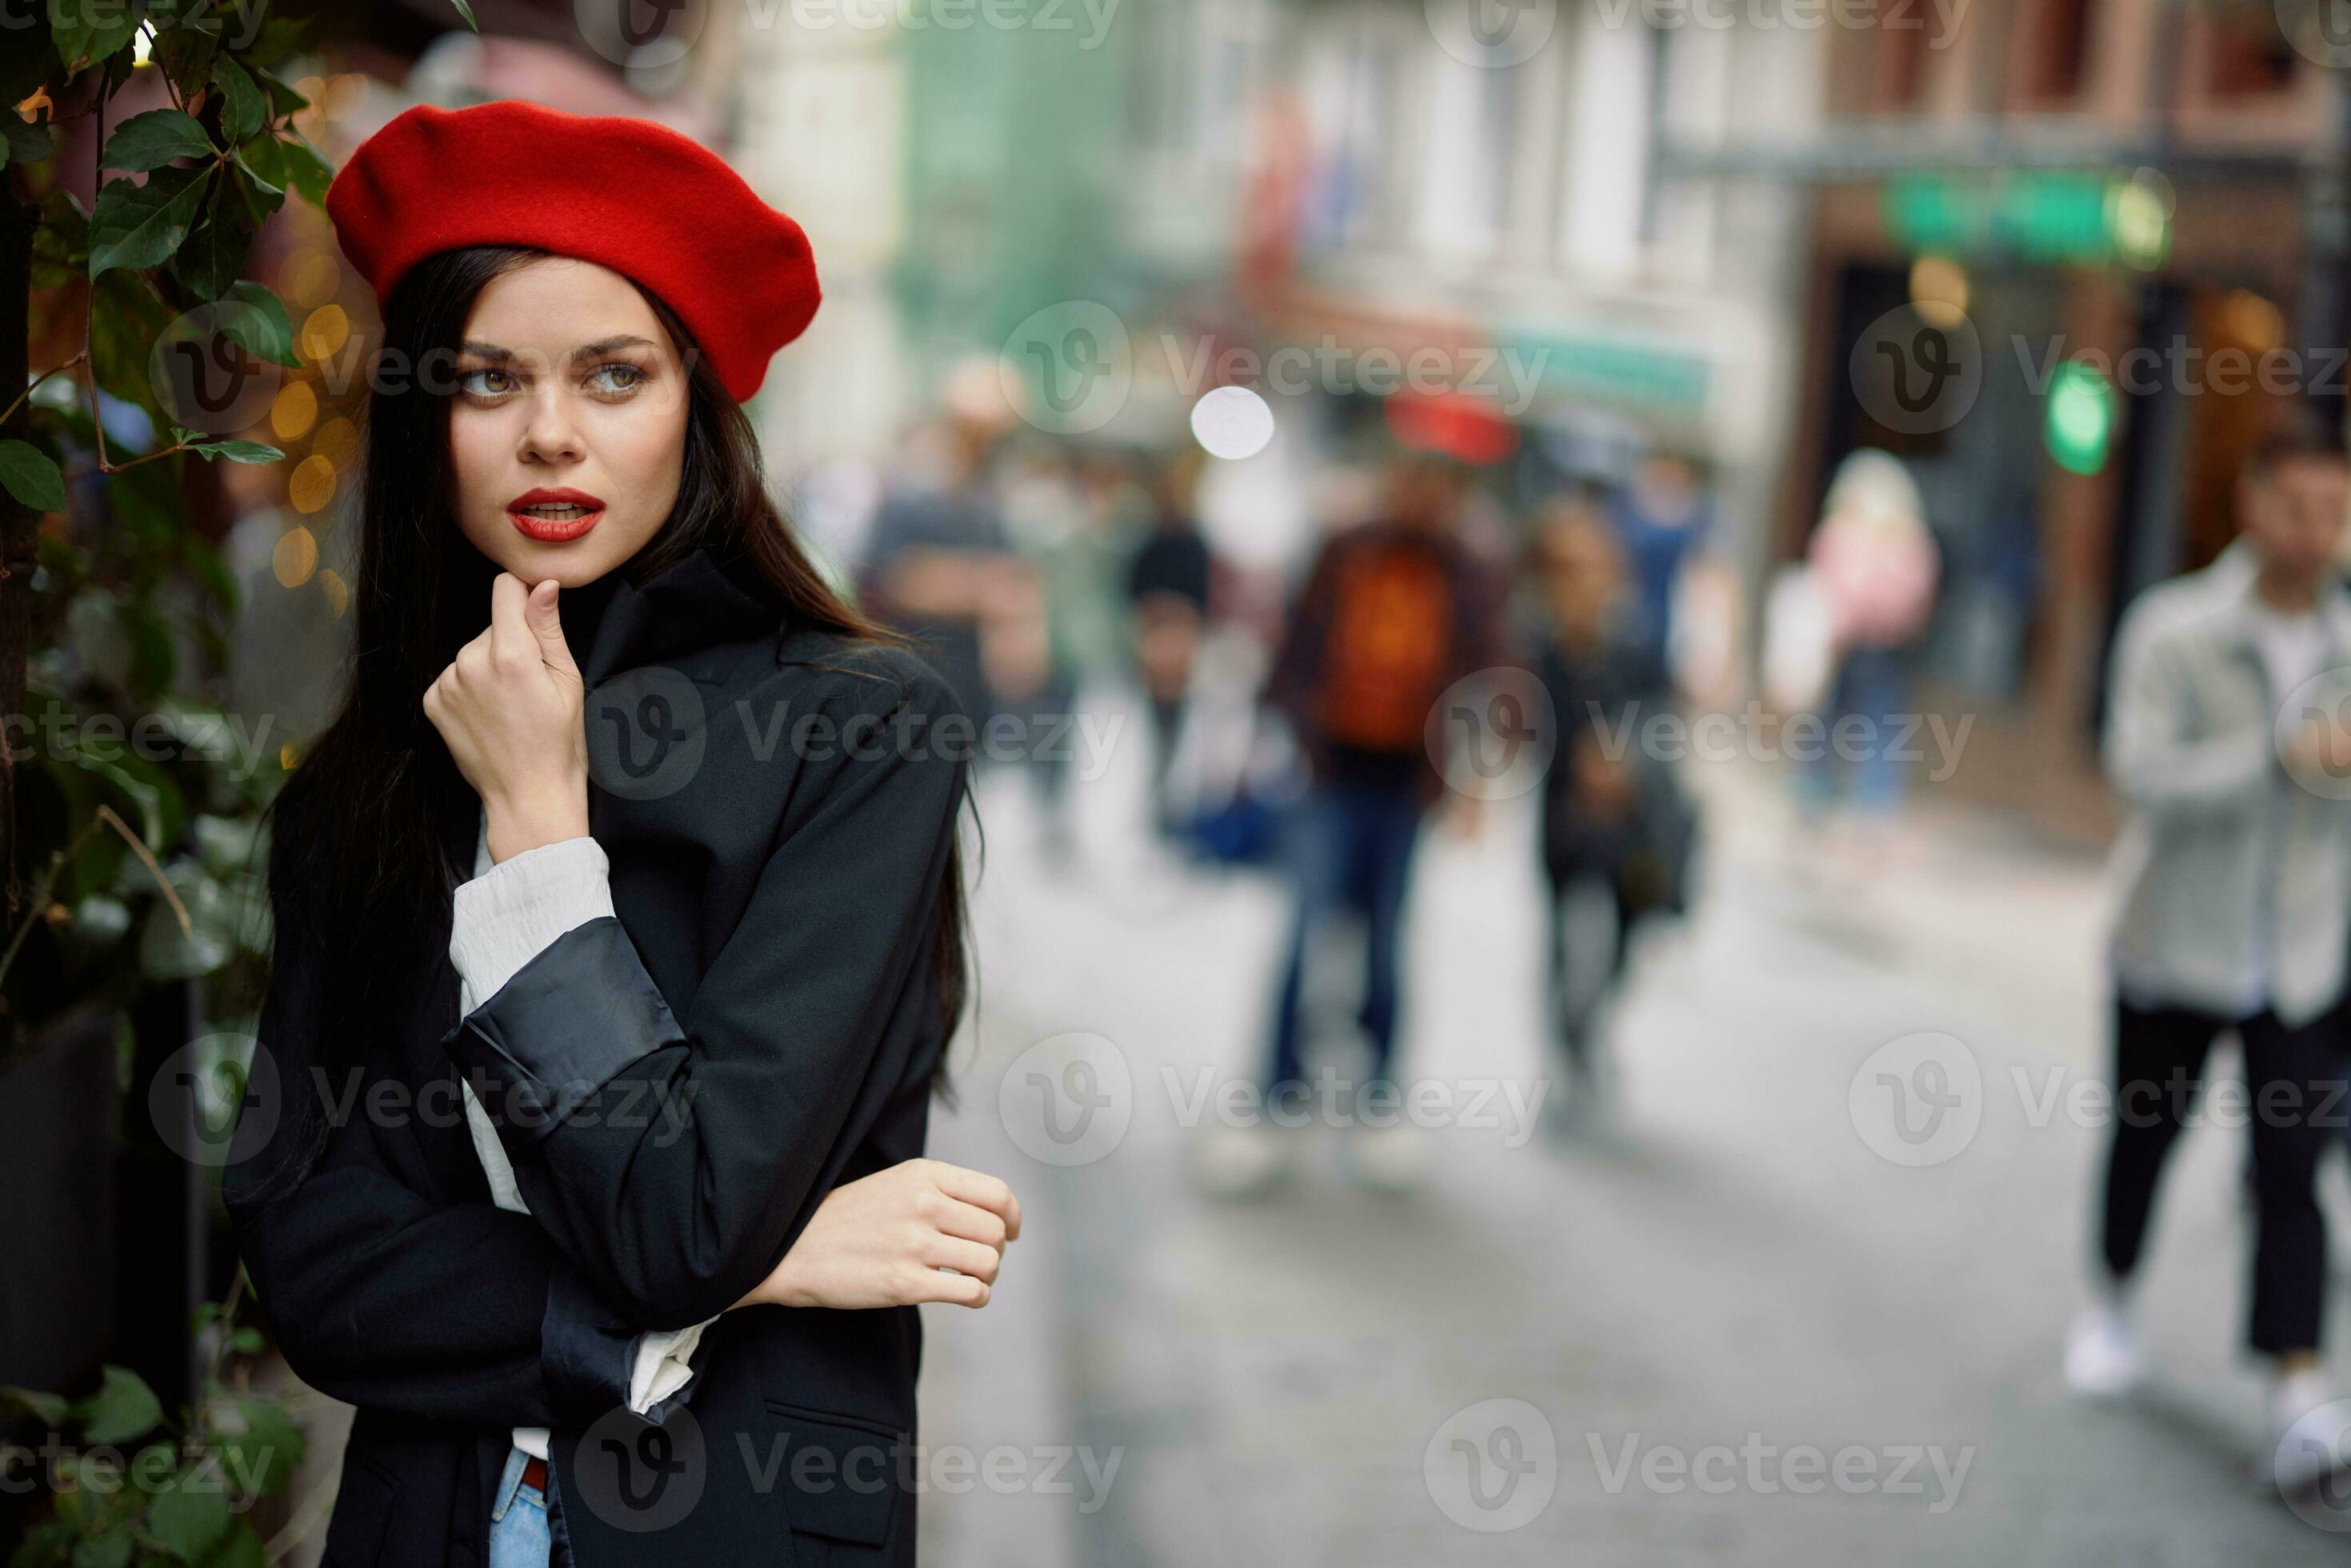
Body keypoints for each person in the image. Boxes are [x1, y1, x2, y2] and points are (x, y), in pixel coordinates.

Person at [222, 101, 1022, 1568]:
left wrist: (536, 835)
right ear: (424, 415)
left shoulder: (854, 733)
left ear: (694, 407)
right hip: (431, 1529)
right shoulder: (361, 788)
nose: (549, 433)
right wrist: (769, 1266)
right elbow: (313, 1274)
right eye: (487, 378)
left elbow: (676, 1222)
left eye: (614, 375)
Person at [2063, 410, 2351, 1495]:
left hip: (2298, 960)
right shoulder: (2173, 629)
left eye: (2333, 510)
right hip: (2172, 945)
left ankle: (2294, 1384)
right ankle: (2110, 1298)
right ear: (2250, 504)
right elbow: (2138, 777)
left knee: (2290, 1174)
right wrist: (2273, 756)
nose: (2313, 531)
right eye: (2295, 506)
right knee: (2144, 1141)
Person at [1197, 451, 1501, 1196]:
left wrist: (1473, 781)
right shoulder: (1343, 553)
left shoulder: (1468, 573)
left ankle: (1378, 1099)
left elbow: (1486, 674)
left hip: (1406, 786)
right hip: (1327, 776)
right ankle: (1275, 1095)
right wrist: (1261, 741)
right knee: (1303, 932)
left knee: (1389, 943)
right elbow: (1293, 650)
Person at [1527, 500, 1688, 1126]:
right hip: (1564, 818)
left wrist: (1623, 758)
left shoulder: (1637, 638)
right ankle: (1568, 1051)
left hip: (1629, 824)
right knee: (1563, 943)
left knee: (1621, 936)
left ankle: (1594, 1029)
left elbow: (1662, 713)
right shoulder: (1540, 644)